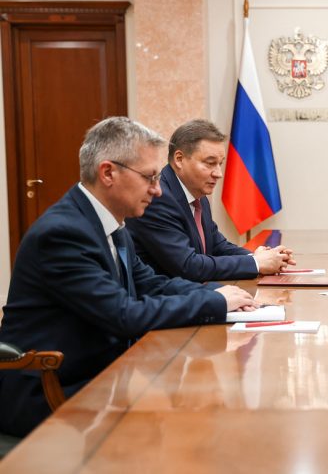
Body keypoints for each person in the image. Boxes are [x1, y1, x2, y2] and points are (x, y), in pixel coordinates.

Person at [0, 117, 256, 436]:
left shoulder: (112, 223)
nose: (158, 190)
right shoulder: (63, 233)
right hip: (54, 390)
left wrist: (220, 294)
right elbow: (122, 314)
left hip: (106, 376)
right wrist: (214, 303)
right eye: (150, 177)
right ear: (108, 173)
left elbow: (151, 283)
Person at [126, 119, 294, 282]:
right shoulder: (157, 198)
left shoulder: (198, 196)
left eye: (220, 164)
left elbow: (217, 246)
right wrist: (256, 263)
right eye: (210, 163)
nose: (218, 173)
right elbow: (188, 266)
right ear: (179, 159)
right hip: (166, 295)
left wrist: (260, 257)